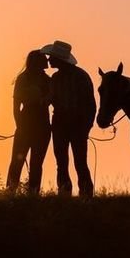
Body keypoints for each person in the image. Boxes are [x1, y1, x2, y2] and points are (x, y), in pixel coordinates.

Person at [40, 41, 96, 198]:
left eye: (51, 57)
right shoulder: (71, 76)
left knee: (72, 162)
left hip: (70, 124)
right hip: (64, 124)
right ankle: (81, 195)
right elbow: (91, 104)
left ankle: (71, 194)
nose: (49, 60)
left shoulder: (69, 77)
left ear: (58, 59)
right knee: (68, 162)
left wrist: (86, 126)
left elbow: (90, 104)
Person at [5, 50, 52, 195]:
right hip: (37, 123)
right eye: (43, 59)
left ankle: (22, 193)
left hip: (34, 123)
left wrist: (20, 125)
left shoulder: (39, 80)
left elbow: (16, 107)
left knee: (29, 162)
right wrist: (20, 126)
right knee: (25, 162)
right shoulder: (44, 80)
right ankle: (17, 192)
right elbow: (15, 106)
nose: (47, 61)